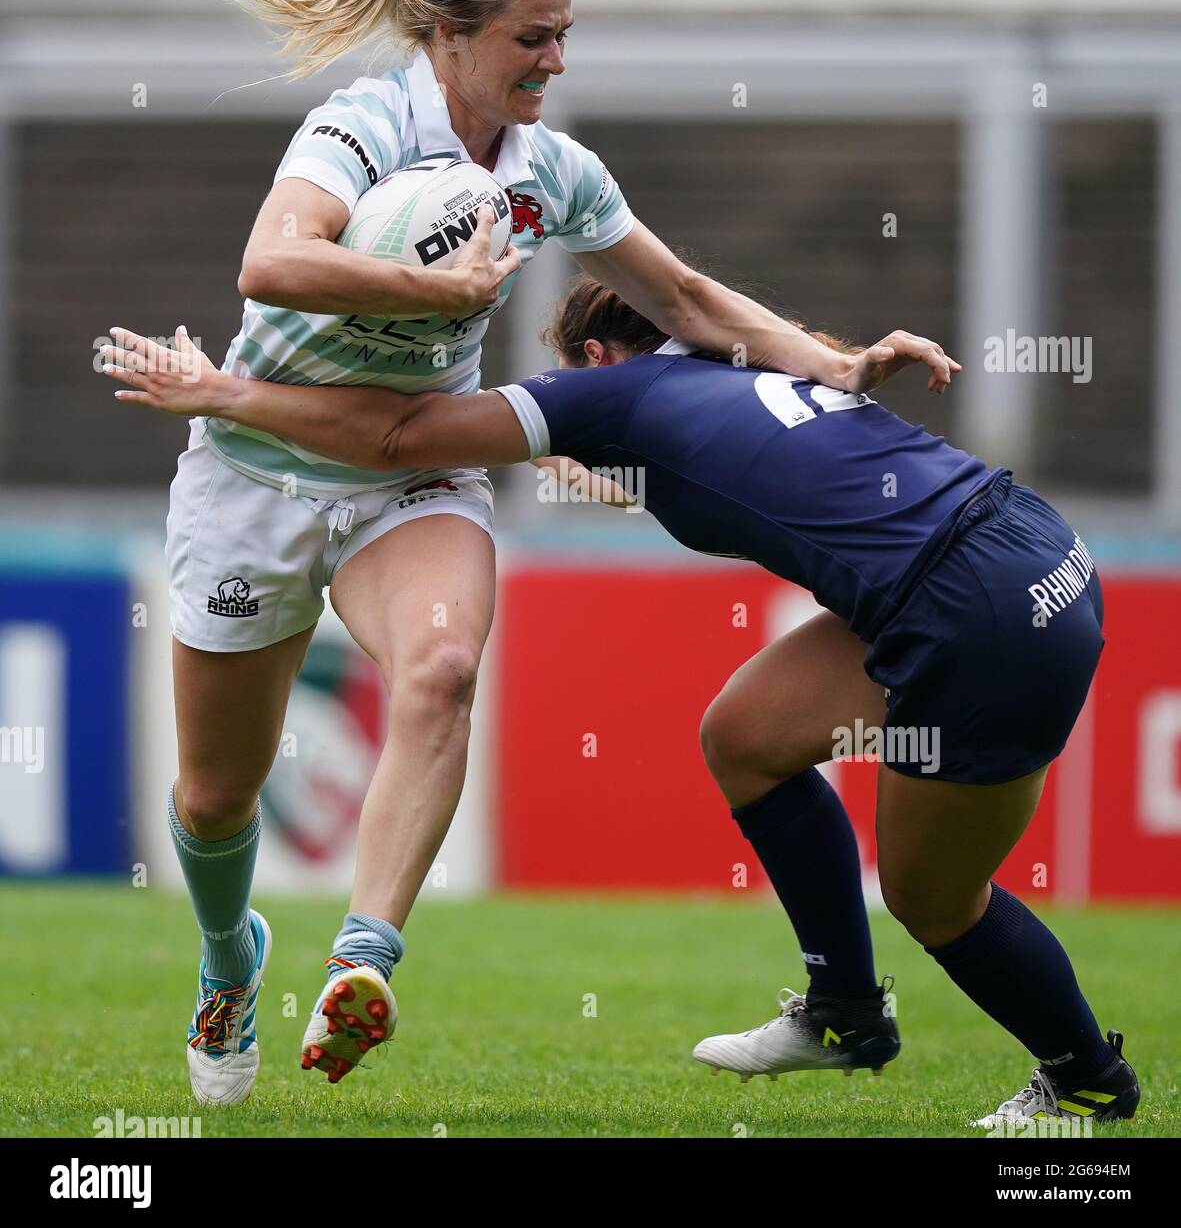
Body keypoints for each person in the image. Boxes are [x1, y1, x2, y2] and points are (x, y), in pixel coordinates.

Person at [150, 0, 957, 1103]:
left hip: (410, 475)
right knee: (218, 792)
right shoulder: (360, 124)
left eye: (565, 33)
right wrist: (432, 288)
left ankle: (362, 960)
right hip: (255, 466)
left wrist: (828, 363)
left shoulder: (551, 172)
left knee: (439, 668)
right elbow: (270, 264)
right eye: (534, 38)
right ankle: (229, 960)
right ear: (449, 33)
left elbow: (683, 299)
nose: (556, 61)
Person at [101, 282, 1139, 1129]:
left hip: (972, 612)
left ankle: (1084, 1077)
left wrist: (221, 392)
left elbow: (397, 435)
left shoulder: (617, 395)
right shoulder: (741, 372)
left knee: (931, 897)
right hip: (1018, 549)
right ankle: (841, 1011)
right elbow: (718, 465)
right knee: (744, 736)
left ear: (596, 361)